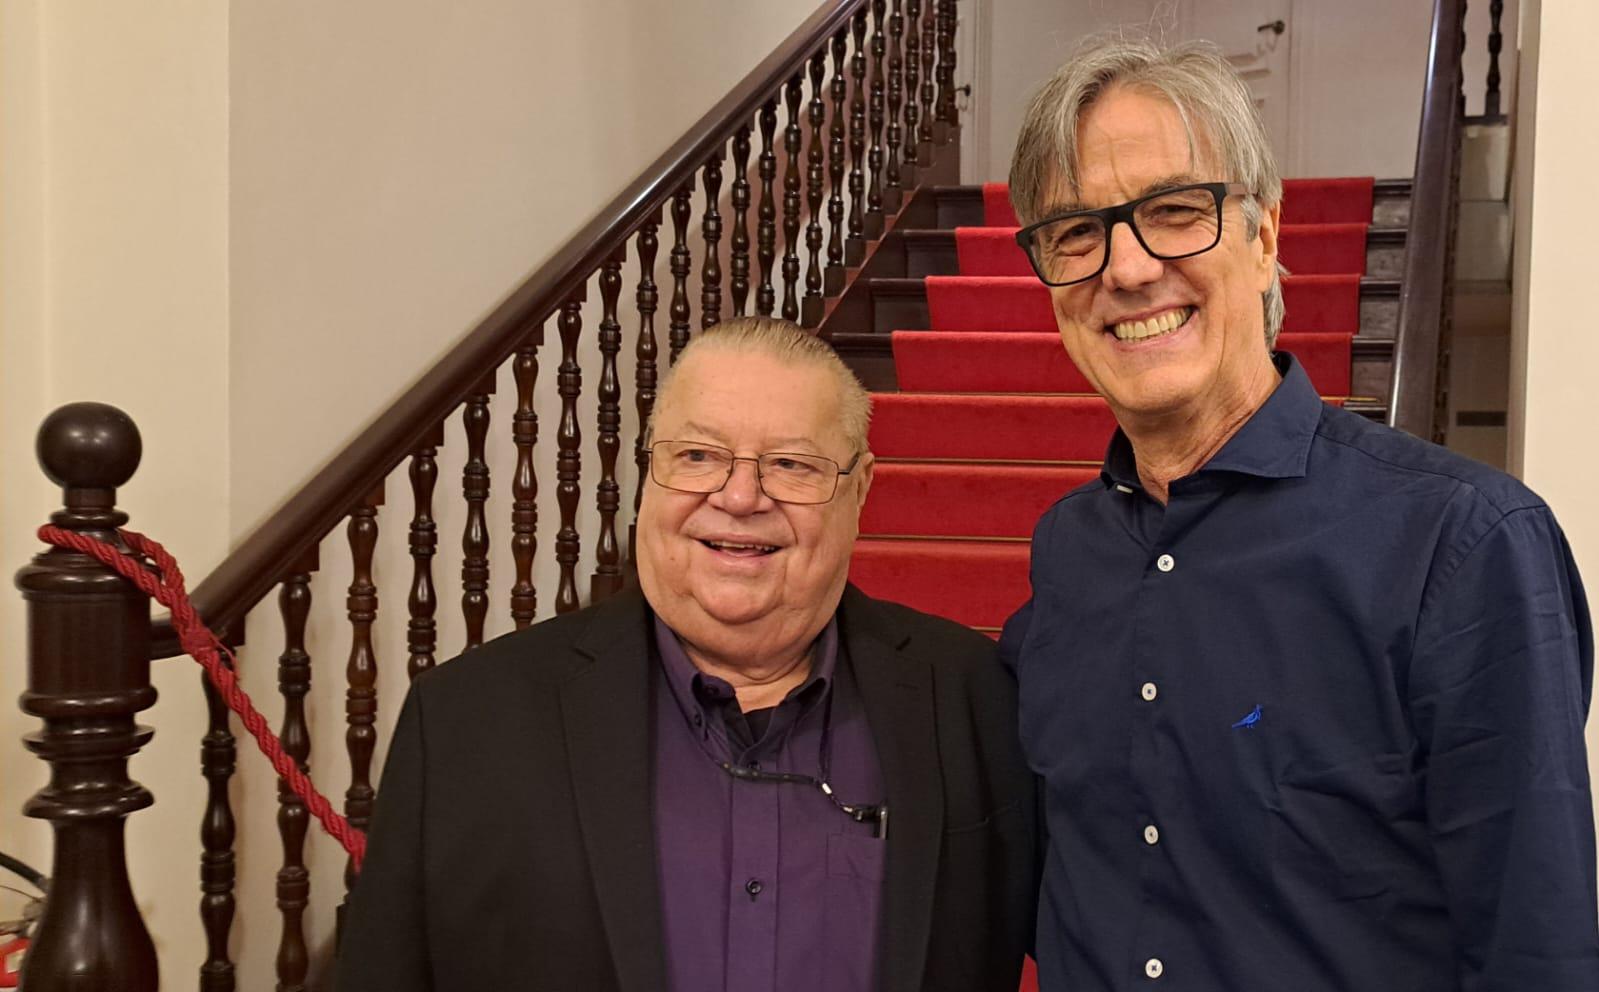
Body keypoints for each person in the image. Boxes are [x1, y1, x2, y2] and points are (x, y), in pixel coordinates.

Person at [999, 37, 1598, 991]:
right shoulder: (1069, 550)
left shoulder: (1464, 544)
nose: (1126, 267)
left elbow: (1535, 952)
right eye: (1076, 231)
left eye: (1173, 211)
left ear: (1264, 235)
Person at [337, 316, 1036, 992]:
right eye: (697, 456)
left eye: (790, 464)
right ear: (649, 472)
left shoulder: (970, 697)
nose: (737, 496)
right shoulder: (467, 721)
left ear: (859, 490)